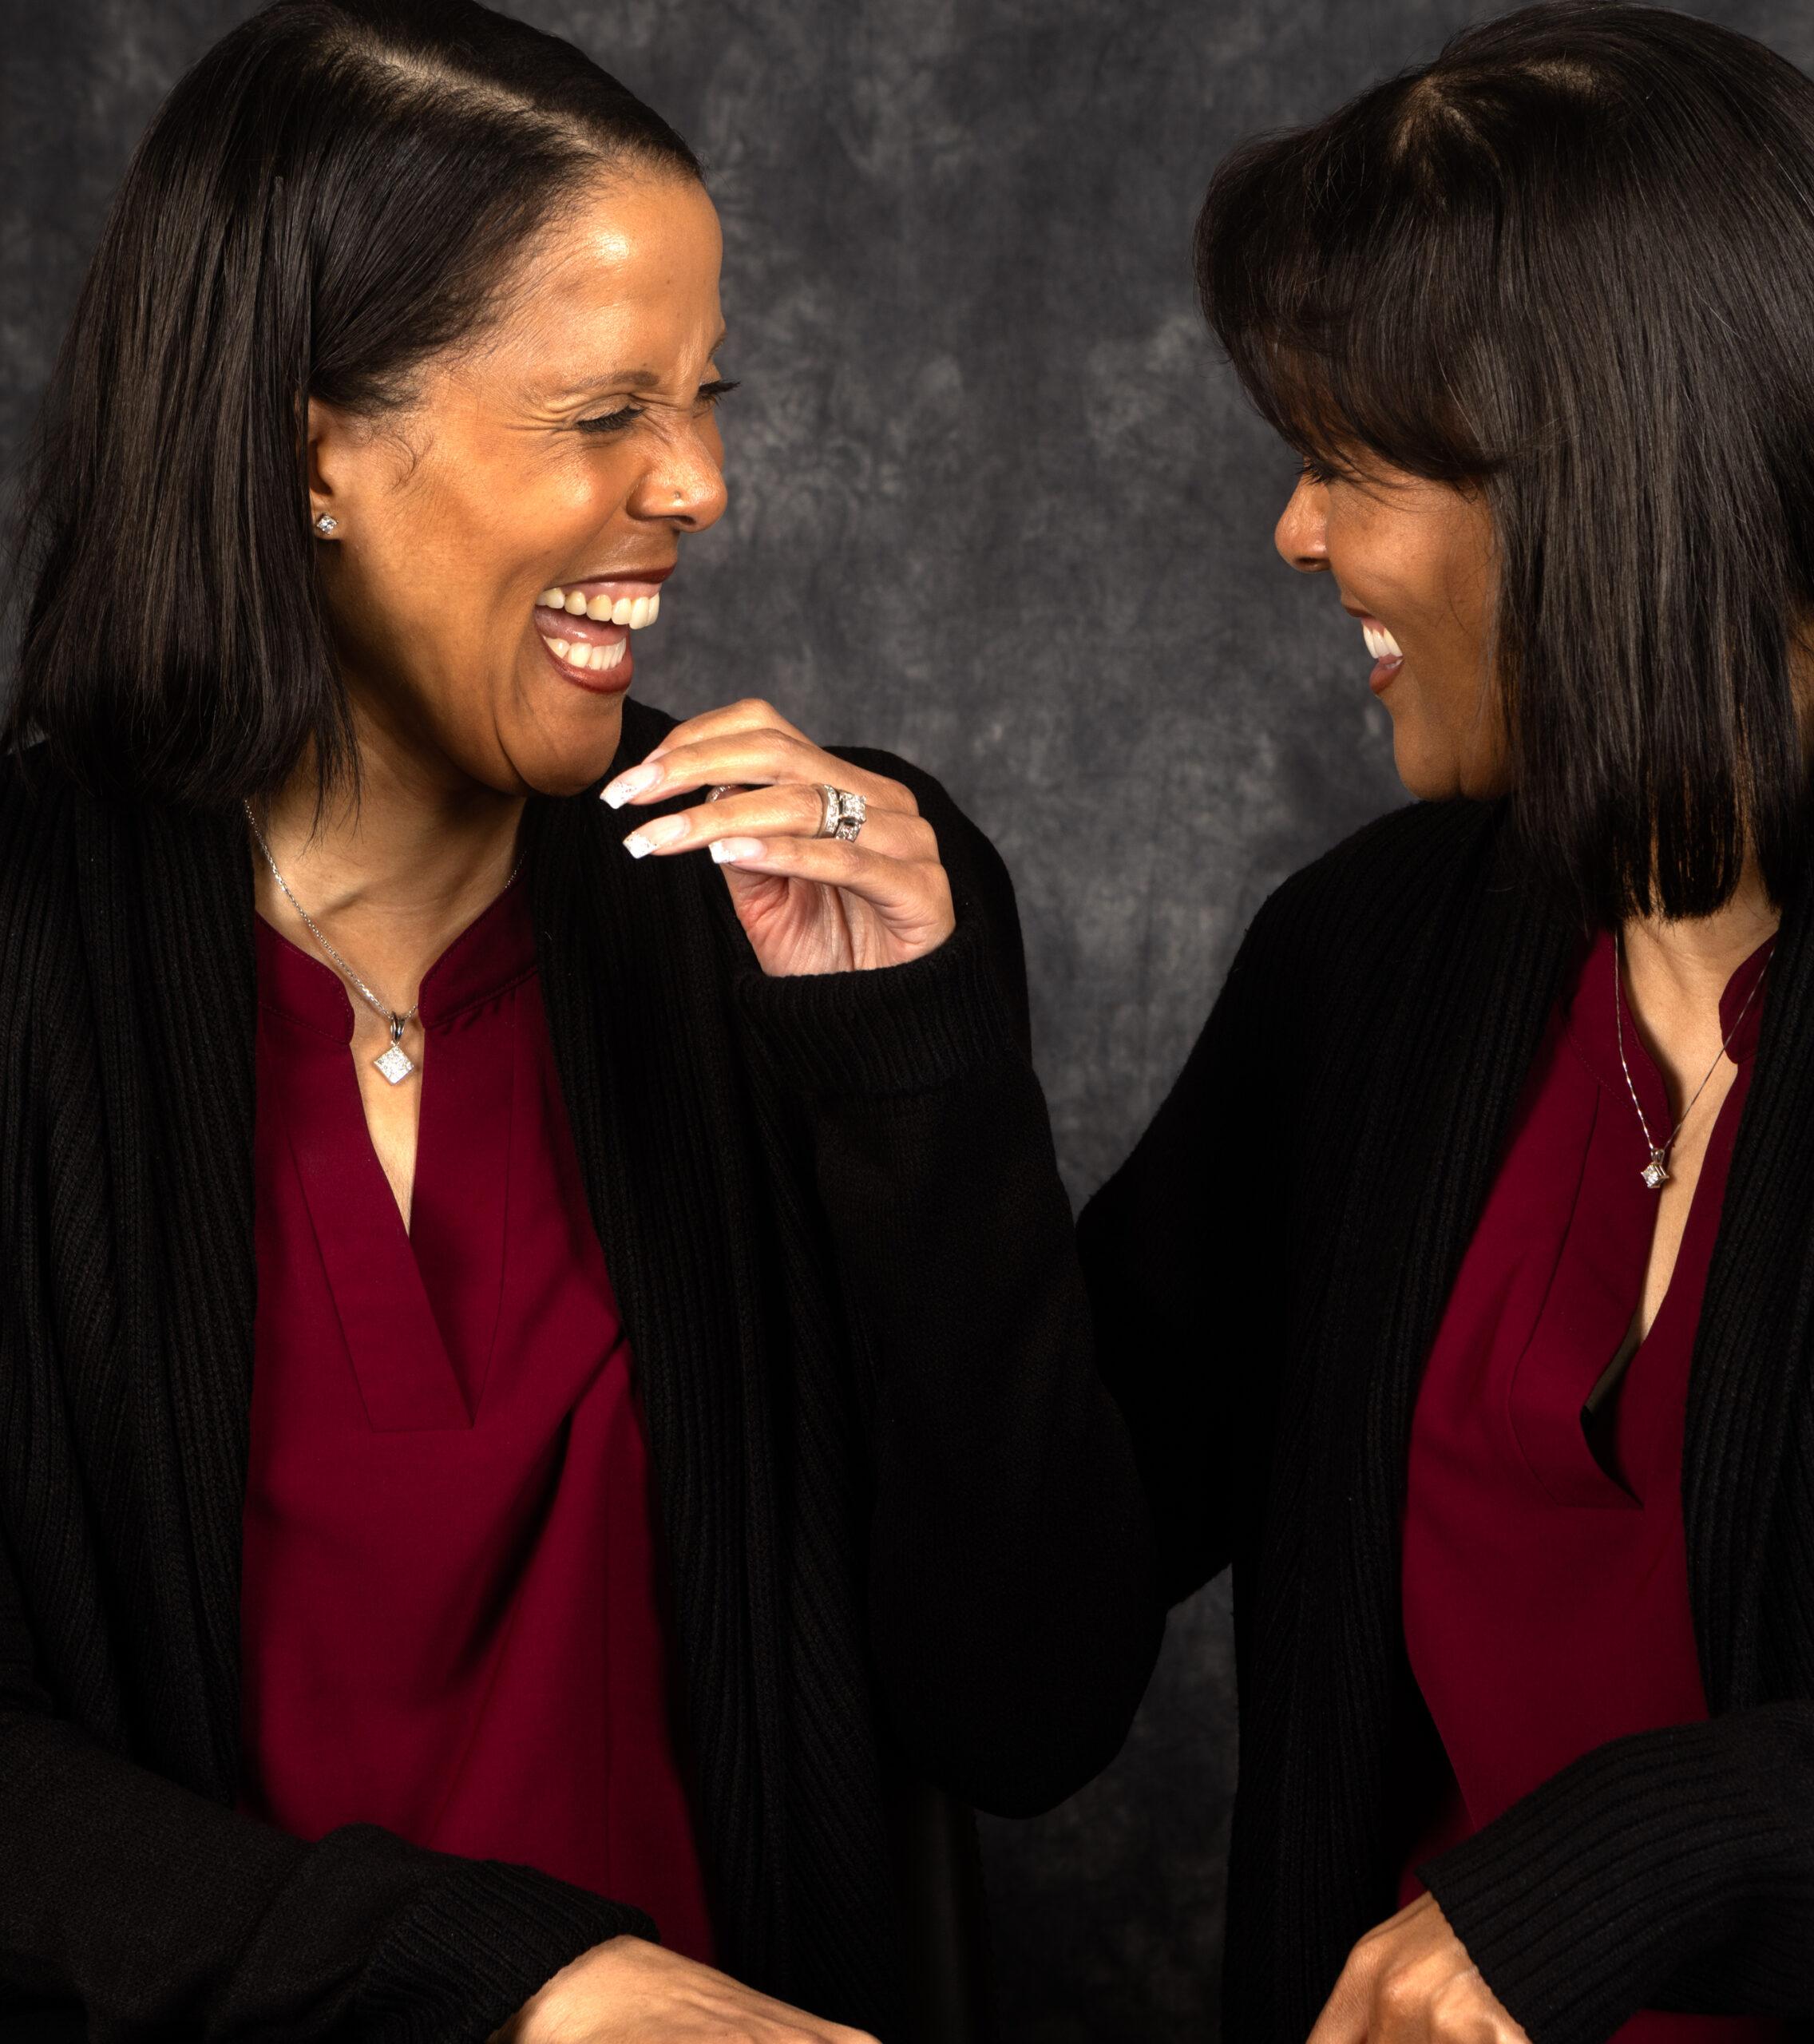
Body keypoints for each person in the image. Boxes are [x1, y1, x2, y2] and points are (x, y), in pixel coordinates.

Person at [0, 4, 1156, 2040]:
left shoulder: (812, 913)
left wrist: (914, 1082)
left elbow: (1030, 1703)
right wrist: (502, 1982)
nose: (699, 482)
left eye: (706, 396)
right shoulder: (33, 955)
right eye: (603, 408)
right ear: (312, 448)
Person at [1053, 4, 1814, 2040]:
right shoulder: (1363, 963)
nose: (1293, 532)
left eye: (1342, 463)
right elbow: (1020, 1636)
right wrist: (889, 1048)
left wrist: (1687, 1843)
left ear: (1602, 476)